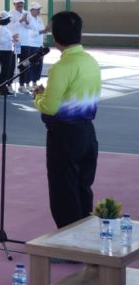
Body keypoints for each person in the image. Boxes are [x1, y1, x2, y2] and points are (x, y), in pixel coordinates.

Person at [33, 12, 101, 228]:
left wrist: (38, 97)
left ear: (56, 36)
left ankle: (68, 241)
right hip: (87, 133)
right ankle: (84, 234)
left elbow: (50, 107)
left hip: (65, 136)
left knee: (64, 191)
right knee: (82, 187)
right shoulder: (90, 61)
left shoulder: (61, 67)